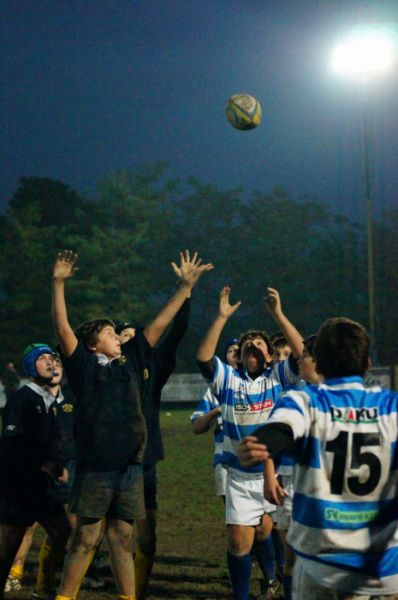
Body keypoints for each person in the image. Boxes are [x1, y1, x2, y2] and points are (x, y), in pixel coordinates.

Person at [52, 249, 212, 600]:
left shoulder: (133, 359)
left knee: (123, 539)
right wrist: (59, 283)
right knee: (86, 539)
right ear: (94, 343)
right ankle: (64, 597)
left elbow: (160, 323)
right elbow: (63, 328)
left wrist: (185, 288)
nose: (117, 335)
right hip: (95, 469)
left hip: (130, 468)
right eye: (110, 332)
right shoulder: (83, 367)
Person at [239, 317, 398, 600]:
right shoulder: (392, 408)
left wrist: (263, 443)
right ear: (368, 363)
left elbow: (282, 430)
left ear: (320, 365)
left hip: (323, 567)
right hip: (384, 571)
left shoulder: (305, 401)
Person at [196, 286, 304, 600]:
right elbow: (203, 356)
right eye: (246, 345)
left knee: (283, 542)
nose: (252, 348)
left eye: (259, 345)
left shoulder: (278, 377)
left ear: (269, 355)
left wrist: (279, 315)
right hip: (240, 478)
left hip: (279, 476)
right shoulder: (229, 379)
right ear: (241, 356)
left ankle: (284, 588)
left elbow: (301, 353)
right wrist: (221, 317)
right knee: (238, 545)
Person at [115, 294, 191, 600]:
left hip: (145, 462)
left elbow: (175, 335)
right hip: (110, 464)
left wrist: (186, 295)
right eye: (125, 336)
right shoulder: (101, 373)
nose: (134, 341)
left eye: (137, 336)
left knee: (146, 537)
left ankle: (137, 594)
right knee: (94, 536)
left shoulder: (153, 371)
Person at [0, 344, 70, 600]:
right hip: (18, 485)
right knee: (8, 547)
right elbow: (11, 443)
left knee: (62, 531)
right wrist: (44, 464)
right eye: (42, 359)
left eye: (52, 357)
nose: (50, 362)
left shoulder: (50, 399)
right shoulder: (23, 399)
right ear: (30, 366)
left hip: (42, 486)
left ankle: (44, 589)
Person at [264, 334, 322, 600]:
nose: (299, 360)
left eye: (304, 356)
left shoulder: (329, 398)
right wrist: (269, 475)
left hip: (321, 488)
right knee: (293, 560)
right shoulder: (293, 396)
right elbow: (271, 440)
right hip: (290, 480)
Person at [191, 337, 239, 499]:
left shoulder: (262, 384)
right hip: (225, 458)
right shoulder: (215, 390)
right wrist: (215, 412)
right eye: (231, 351)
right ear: (225, 357)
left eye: (239, 350)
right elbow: (196, 426)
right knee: (232, 516)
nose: (235, 354)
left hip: (255, 458)